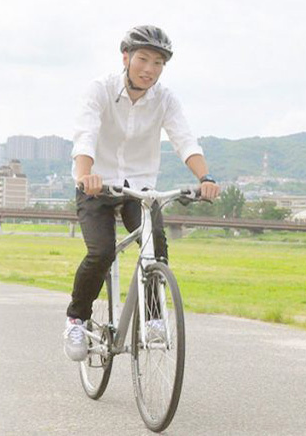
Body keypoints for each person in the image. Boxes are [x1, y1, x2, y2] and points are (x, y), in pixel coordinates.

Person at [64, 25, 221, 361]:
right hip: (98, 183)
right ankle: (76, 318)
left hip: (140, 188)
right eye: (144, 59)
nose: (150, 69)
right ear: (126, 57)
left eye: (158, 63)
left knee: (156, 247)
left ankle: (152, 319)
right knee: (102, 251)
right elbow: (86, 135)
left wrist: (205, 176)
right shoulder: (100, 90)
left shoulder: (165, 99)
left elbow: (184, 139)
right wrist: (85, 175)